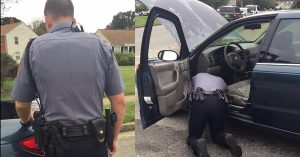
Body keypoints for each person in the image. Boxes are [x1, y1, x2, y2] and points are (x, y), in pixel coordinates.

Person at [12, 0, 125, 156]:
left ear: (47, 19)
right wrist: (114, 139)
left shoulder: (33, 49)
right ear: (73, 18)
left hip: (56, 145)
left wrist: (25, 121)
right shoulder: (101, 46)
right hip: (95, 142)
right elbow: (119, 101)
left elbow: (21, 105)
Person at [187, 73, 242, 157]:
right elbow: (227, 92)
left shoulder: (196, 76)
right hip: (218, 100)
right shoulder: (221, 80)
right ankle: (226, 137)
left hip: (201, 100)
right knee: (218, 133)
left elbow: (190, 94)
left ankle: (198, 143)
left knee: (193, 137)